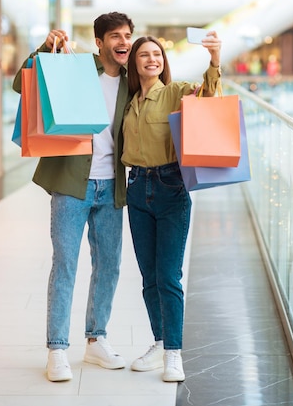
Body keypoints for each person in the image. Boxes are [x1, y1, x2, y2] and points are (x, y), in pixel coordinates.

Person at [11, 12, 134, 382]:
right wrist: (43, 49)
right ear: (99, 42)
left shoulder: (133, 82)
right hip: (70, 183)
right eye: (115, 36)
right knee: (65, 264)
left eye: (128, 35)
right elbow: (21, 83)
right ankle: (57, 349)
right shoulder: (76, 67)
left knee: (109, 266)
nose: (124, 42)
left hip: (111, 185)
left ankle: (96, 340)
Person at [121, 33, 221, 382]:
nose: (152, 59)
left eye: (157, 54)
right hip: (136, 189)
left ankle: (174, 354)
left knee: (168, 275)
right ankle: (160, 342)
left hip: (170, 187)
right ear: (134, 63)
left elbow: (208, 96)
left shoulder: (176, 91)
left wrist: (214, 60)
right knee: (149, 277)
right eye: (144, 55)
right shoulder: (129, 101)